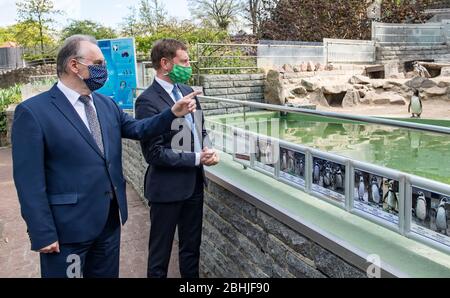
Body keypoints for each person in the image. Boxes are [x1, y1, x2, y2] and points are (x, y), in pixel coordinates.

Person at [11, 35, 198, 278]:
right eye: (98, 63)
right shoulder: (34, 112)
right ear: (74, 66)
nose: (104, 70)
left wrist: (172, 114)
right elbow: (29, 181)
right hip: (68, 231)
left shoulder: (105, 104)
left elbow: (138, 129)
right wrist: (42, 232)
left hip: (108, 224)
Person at [135, 39, 219, 278]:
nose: (189, 65)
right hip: (166, 190)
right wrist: (197, 159)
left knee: (191, 249)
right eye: (184, 61)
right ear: (165, 64)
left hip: (194, 186)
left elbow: (200, 129)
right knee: (160, 256)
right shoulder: (147, 101)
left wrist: (209, 149)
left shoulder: (186, 91)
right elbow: (154, 153)